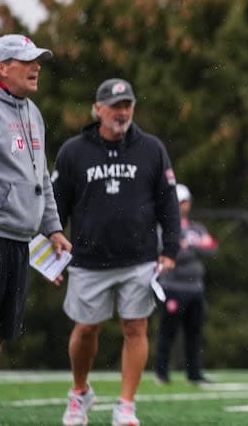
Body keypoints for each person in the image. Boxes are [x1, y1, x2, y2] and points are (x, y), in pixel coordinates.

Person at [52, 78, 180, 426]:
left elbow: (168, 203)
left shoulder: (151, 148)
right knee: (85, 330)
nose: (122, 112)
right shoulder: (73, 151)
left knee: (135, 328)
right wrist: (53, 256)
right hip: (88, 259)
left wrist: (170, 248)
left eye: (127, 105)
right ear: (98, 109)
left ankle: (126, 405)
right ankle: (79, 393)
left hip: (139, 258)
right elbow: (55, 208)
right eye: (115, 106)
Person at [0, 34, 72, 426]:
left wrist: (53, 228)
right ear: (2, 67)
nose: (37, 67)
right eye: (27, 60)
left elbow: (41, 177)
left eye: (38, 60)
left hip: (18, 241)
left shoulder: (31, 111)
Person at [155, 183, 219, 385]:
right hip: (173, 287)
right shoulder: (164, 226)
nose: (184, 205)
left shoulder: (196, 227)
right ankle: (162, 373)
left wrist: (189, 246)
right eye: (181, 202)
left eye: (186, 201)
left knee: (194, 333)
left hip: (195, 288)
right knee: (168, 331)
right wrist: (196, 247)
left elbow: (212, 249)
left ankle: (194, 374)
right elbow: (171, 254)